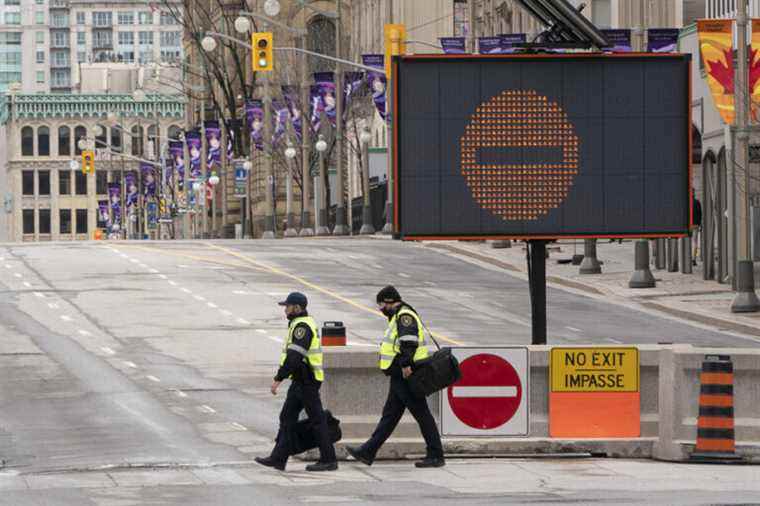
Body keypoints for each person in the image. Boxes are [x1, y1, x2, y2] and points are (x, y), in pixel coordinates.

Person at [346, 286, 445, 468]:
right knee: (390, 416)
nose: (381, 309)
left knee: (422, 415)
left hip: (407, 374)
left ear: (390, 301)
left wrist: (406, 364)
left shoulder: (404, 316)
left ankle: (436, 455)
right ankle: (368, 451)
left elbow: (409, 342)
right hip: (399, 374)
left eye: (382, 304)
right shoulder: (398, 315)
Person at [255, 292, 338, 472]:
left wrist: (278, 378)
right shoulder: (297, 325)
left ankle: (329, 459)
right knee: (287, 417)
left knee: (317, 420)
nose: (285, 309)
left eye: (287, 306)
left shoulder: (302, 327)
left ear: (297, 308)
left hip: (307, 380)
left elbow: (294, 357)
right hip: (301, 380)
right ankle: (278, 458)